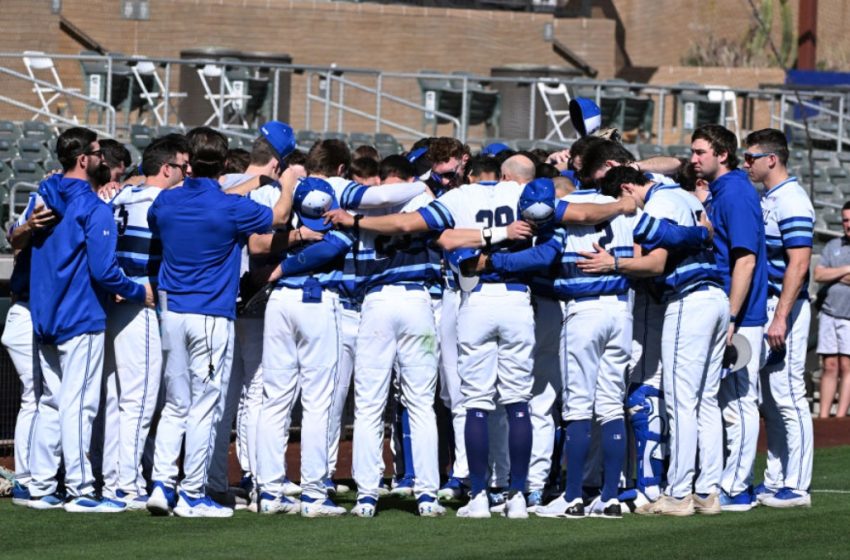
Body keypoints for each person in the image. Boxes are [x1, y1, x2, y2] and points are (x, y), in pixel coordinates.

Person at [325, 154, 636, 519]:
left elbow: (411, 224)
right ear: (509, 176)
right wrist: (624, 203)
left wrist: (357, 219)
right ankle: (518, 495)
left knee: (475, 402)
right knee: (518, 401)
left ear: (474, 174)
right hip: (520, 302)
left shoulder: (460, 196)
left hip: (474, 300)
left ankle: (477, 495)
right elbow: (581, 216)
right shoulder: (525, 192)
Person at [145, 127, 296, 518]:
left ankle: (163, 483)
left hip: (172, 313)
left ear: (188, 162)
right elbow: (278, 218)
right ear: (225, 164)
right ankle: (193, 493)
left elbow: (180, 210)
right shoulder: (230, 207)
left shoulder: (165, 202)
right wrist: (289, 183)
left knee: (176, 404)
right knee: (204, 406)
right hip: (211, 315)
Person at [580, 166, 728, 517]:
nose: (623, 206)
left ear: (629, 188)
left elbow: (658, 257)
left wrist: (613, 262)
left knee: (682, 401)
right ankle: (708, 491)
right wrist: (702, 236)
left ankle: (678, 494)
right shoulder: (682, 194)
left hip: (689, 301)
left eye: (622, 198)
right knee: (706, 401)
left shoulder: (659, 201)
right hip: (715, 298)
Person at [28, 126, 154, 512]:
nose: (104, 158)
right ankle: (81, 489)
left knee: (51, 401)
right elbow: (105, 271)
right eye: (99, 152)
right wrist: (137, 292)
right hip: (80, 314)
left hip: (45, 313)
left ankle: (41, 485)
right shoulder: (91, 206)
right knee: (79, 405)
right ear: (84, 159)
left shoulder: (44, 195)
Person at [95, 135, 191, 509]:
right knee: (138, 399)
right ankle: (126, 485)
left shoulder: (120, 195)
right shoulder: (162, 201)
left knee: (118, 397)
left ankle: (112, 480)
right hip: (142, 305)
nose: (187, 173)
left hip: (117, 301)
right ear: (166, 168)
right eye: (183, 166)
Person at [255, 177, 352, 517]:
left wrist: (281, 266)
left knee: (275, 400)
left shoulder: (284, 225)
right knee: (316, 402)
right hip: (316, 305)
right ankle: (312, 494)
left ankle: (268, 492)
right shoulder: (334, 220)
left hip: (280, 302)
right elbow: (331, 246)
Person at [691, 124, 768, 511]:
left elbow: (745, 258)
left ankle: (738, 486)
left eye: (700, 152)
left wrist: (733, 316)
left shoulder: (736, 191)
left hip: (743, 313)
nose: (693, 159)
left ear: (722, 154)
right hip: (729, 308)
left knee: (738, 402)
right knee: (726, 402)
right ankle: (731, 480)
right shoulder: (723, 189)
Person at [744, 128, 815, 508]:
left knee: (789, 395)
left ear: (771, 159)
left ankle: (798, 484)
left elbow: (799, 262)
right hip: (769, 305)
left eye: (751, 157)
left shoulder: (792, 200)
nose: (746, 164)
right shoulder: (771, 197)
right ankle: (774, 479)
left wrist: (781, 317)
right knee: (770, 399)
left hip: (785, 307)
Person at [3, 187, 58, 506]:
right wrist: (28, 226)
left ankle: (41, 473)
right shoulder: (43, 200)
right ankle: (25, 476)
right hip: (24, 310)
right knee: (33, 396)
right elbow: (15, 236)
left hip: (44, 312)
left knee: (45, 396)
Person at [814, 201, 850, 418]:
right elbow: (818, 275)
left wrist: (833, 273)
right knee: (829, 365)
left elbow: (827, 274)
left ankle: (840, 418)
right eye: (846, 220)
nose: (849, 224)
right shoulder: (832, 246)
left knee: (847, 365)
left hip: (848, 318)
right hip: (828, 313)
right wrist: (845, 270)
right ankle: (823, 417)